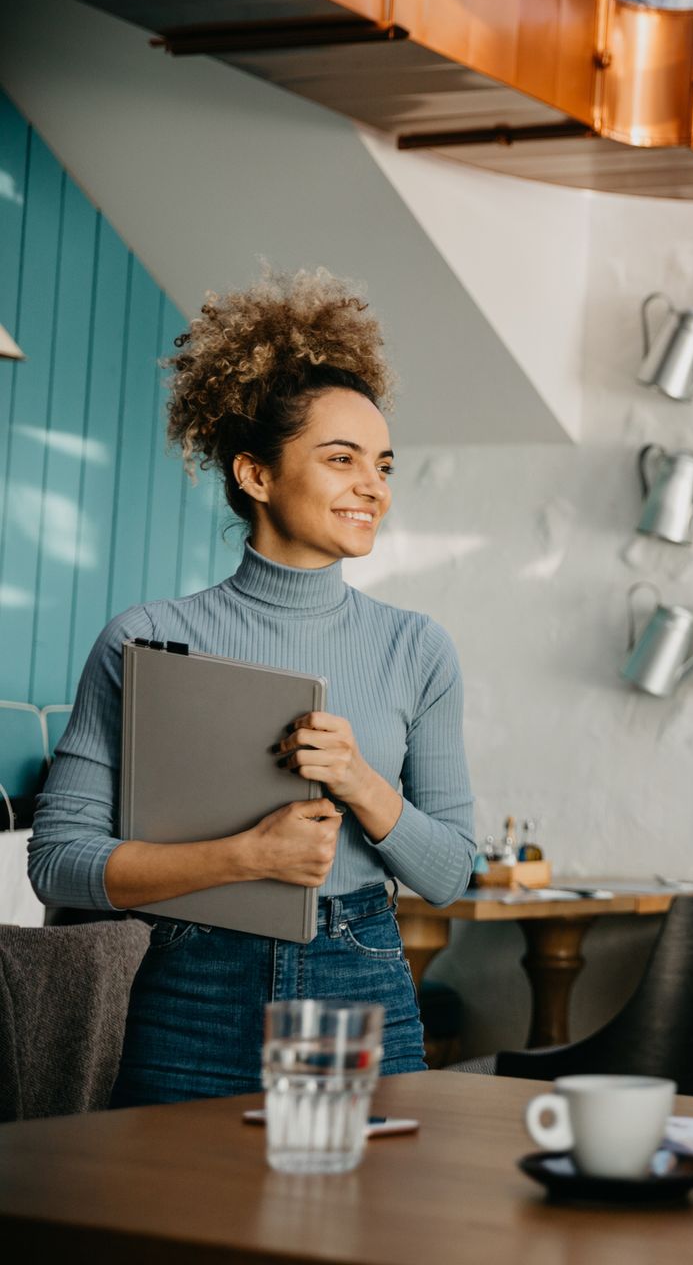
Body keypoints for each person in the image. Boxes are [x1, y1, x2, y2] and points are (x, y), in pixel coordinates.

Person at [29, 269, 476, 1105]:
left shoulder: (418, 647)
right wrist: (247, 858)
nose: (372, 485)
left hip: (361, 978)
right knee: (174, 1230)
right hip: (185, 987)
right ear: (256, 476)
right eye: (340, 460)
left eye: (382, 464)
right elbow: (56, 864)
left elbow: (451, 873)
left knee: (366, 1230)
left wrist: (359, 781)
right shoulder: (143, 640)